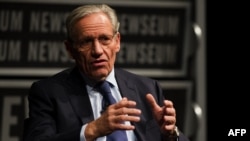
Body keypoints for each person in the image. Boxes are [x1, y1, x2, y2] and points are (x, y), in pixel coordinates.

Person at [23, 4, 190, 141]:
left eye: (104, 39)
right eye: (86, 41)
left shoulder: (147, 88)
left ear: (117, 42)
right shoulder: (48, 93)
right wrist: (92, 130)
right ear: (70, 49)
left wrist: (170, 134)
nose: (97, 50)